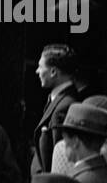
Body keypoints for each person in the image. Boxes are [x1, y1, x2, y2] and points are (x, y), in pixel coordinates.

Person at [31, 44, 81, 175]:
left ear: (53, 72)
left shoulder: (64, 106)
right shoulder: (57, 101)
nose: (37, 71)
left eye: (41, 67)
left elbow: (60, 160)